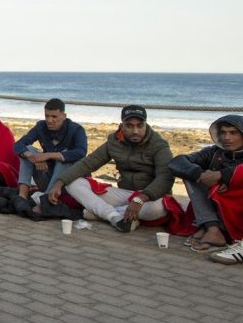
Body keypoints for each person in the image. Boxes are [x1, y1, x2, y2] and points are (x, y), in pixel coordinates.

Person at [49, 105, 173, 232]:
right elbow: (88, 163)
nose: (135, 131)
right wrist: (60, 182)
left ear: (145, 124)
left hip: (149, 197)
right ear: (122, 125)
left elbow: (166, 177)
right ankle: (113, 216)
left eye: (140, 125)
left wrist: (140, 199)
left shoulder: (158, 145)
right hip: (124, 195)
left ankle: (99, 213)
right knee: (73, 183)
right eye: (129, 126)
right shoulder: (114, 141)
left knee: (159, 208)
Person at [168, 114, 243, 253]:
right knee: (190, 174)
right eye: (223, 133)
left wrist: (223, 177)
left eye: (233, 133)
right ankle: (213, 229)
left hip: (237, 211)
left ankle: (212, 229)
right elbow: (176, 162)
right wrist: (201, 175)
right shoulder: (214, 152)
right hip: (216, 208)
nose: (227, 138)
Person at [13, 98, 87, 198]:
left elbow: (81, 152)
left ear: (64, 116)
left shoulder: (76, 129)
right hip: (46, 175)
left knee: (64, 156)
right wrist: (33, 157)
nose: (49, 120)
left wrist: (48, 155)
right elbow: (18, 144)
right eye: (47, 116)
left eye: (54, 116)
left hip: (67, 182)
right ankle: (22, 195)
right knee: (28, 149)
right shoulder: (41, 127)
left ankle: (47, 197)